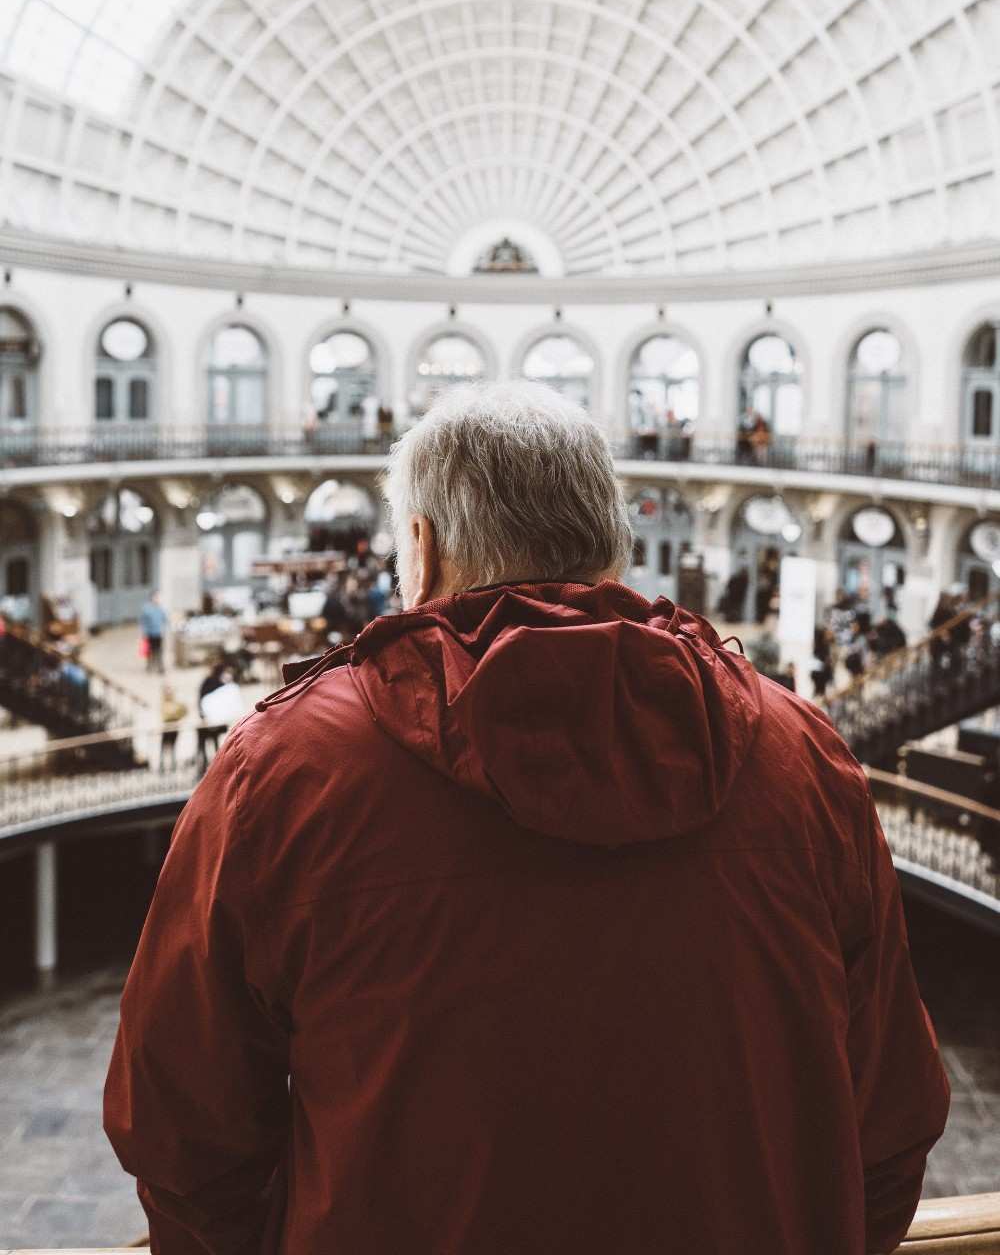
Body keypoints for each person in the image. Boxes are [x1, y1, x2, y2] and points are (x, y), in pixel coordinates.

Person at [105, 381, 949, 1255]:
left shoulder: (279, 771)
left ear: (421, 551)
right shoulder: (800, 756)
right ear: (611, 556)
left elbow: (179, 1132)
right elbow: (890, 1120)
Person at [139, 591, 169, 674]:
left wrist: (164, 629)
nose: (157, 599)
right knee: (150, 651)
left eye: (158, 597)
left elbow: (165, 620)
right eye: (155, 597)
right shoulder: (146, 609)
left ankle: (160, 667)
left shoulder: (160, 608)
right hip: (149, 633)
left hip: (158, 633)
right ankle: (150, 666)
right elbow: (143, 622)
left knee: (159, 650)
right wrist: (144, 632)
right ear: (151, 598)